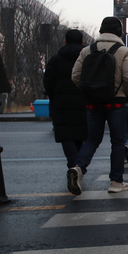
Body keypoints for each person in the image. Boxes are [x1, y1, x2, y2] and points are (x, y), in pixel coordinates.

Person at [68, 17, 128, 194]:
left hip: (92, 102)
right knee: (118, 141)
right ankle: (115, 182)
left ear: (101, 30)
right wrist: (125, 93)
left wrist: (89, 92)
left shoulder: (87, 50)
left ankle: (78, 168)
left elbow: (75, 76)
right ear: (120, 32)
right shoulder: (125, 51)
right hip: (116, 103)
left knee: (92, 139)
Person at [43, 29, 88, 170]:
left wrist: (54, 96)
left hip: (61, 103)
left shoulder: (56, 60)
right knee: (80, 135)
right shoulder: (87, 59)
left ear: (65, 42)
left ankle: (73, 165)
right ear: (83, 42)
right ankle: (79, 165)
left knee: (66, 135)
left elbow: (47, 82)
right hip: (84, 102)